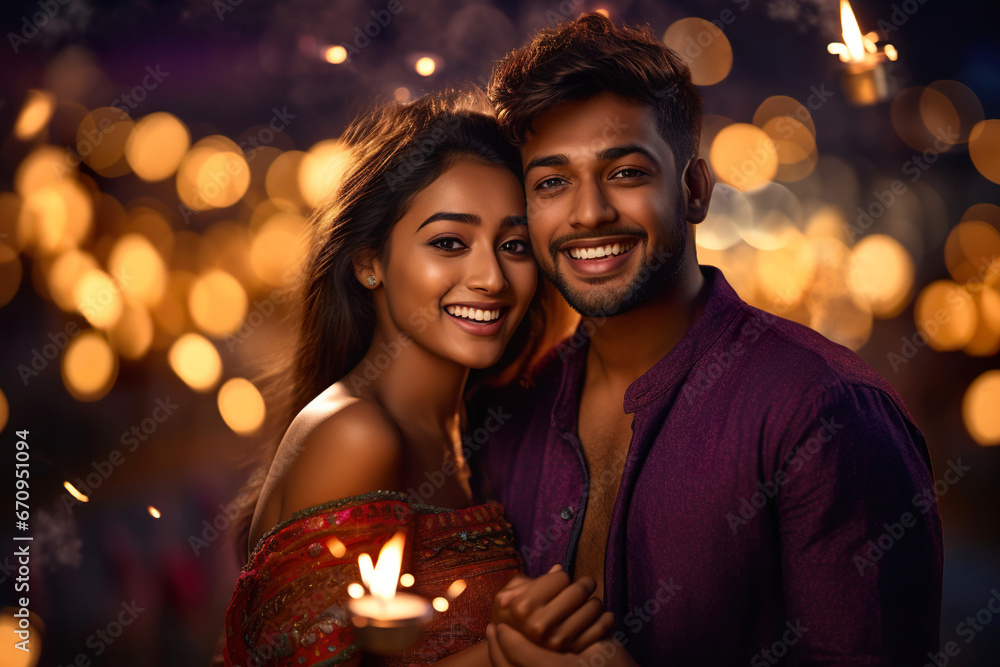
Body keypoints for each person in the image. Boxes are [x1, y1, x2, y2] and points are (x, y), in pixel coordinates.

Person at [473, 13, 944, 666]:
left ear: (694, 189)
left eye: (626, 172)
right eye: (552, 181)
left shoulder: (825, 412)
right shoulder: (512, 412)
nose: (587, 213)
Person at [221, 91, 613, 666]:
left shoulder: (478, 428)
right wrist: (508, 654)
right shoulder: (356, 435)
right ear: (368, 262)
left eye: (514, 245)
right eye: (449, 243)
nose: (491, 278)